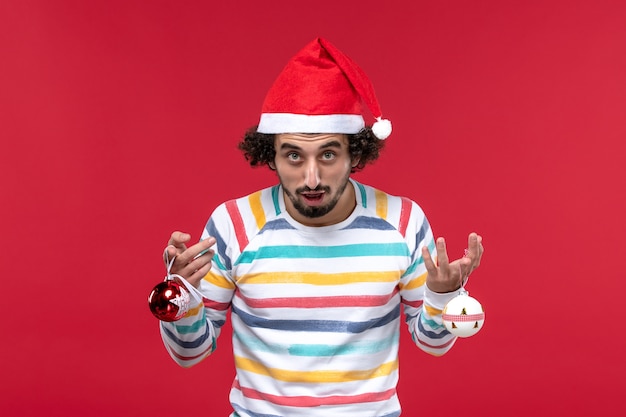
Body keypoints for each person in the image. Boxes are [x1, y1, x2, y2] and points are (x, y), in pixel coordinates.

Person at [159, 37, 484, 417]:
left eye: (328, 154)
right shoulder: (234, 224)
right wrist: (179, 295)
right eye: (293, 155)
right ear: (271, 154)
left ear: (355, 153)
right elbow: (189, 352)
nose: (311, 178)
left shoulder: (403, 221)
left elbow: (433, 344)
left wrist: (444, 295)